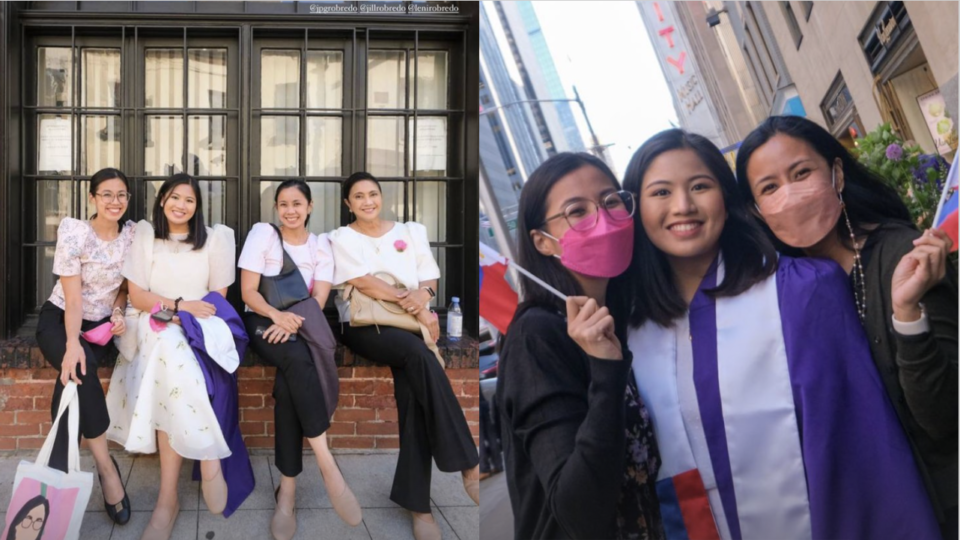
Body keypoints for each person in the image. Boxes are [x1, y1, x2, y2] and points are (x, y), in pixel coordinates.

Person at [622, 129, 939, 539]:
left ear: (730, 199)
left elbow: (860, 452)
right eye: (660, 192)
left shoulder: (802, 290)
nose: (683, 206)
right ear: (636, 207)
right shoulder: (631, 329)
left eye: (700, 186)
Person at [735, 115, 957, 538]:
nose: (790, 194)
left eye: (801, 173)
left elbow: (946, 416)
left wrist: (907, 312)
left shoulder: (902, 257)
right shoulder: (775, 294)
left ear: (836, 173)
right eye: (770, 187)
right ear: (755, 211)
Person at [497, 152, 664, 540]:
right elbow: (577, 511)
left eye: (611, 202)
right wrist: (605, 371)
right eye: (577, 211)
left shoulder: (626, 317)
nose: (603, 220)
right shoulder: (536, 335)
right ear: (542, 241)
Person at [328, 172, 479, 540]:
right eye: (358, 196)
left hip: (410, 323)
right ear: (348, 204)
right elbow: (364, 282)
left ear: (382, 197)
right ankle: (468, 463)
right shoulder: (340, 237)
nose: (367, 201)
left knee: (414, 390)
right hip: (366, 326)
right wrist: (414, 308)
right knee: (418, 355)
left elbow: (429, 278)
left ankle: (419, 507)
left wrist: (424, 298)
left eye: (373, 194)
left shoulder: (411, 231)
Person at [105, 173, 254, 540]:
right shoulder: (146, 236)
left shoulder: (216, 240)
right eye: (173, 197)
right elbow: (138, 295)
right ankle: (206, 460)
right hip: (152, 321)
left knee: (176, 361)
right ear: (161, 202)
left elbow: (216, 300)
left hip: (201, 328)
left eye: (188, 200)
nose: (180, 205)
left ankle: (168, 498)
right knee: (169, 348)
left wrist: (187, 314)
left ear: (197, 206)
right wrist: (177, 306)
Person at [239, 179, 361, 540]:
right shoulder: (263, 235)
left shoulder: (320, 246)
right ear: (276, 209)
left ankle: (287, 493)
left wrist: (292, 323)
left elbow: (319, 298)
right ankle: (326, 462)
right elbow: (248, 291)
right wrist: (277, 318)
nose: (289, 210)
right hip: (262, 319)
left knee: (290, 378)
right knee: (296, 362)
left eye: (297, 203)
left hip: (303, 322)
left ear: (309, 207)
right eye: (283, 204)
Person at [35, 167, 134, 525]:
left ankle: (56, 477)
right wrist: (72, 343)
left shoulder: (132, 235)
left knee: (70, 383)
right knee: (79, 368)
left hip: (100, 327)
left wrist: (119, 310)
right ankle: (107, 469)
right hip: (60, 317)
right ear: (92, 198)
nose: (115, 201)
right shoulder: (75, 231)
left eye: (121, 194)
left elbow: (124, 286)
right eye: (106, 194)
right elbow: (73, 299)